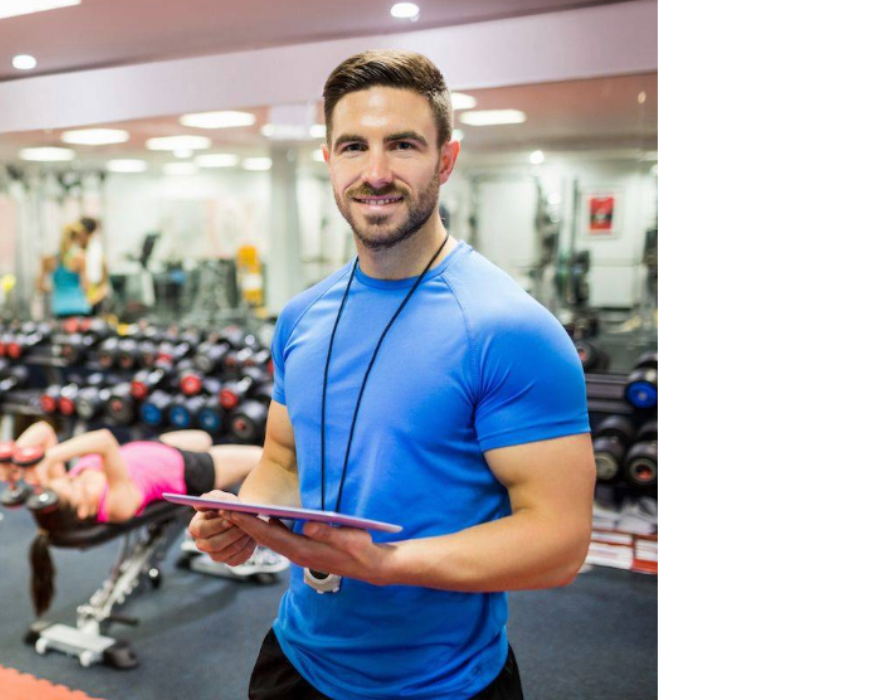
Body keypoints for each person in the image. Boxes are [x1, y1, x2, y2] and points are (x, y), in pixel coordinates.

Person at [185, 50, 595, 700]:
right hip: (297, 659)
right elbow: (284, 462)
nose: (375, 173)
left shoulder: (509, 328)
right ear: (329, 162)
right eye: (353, 147)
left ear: (446, 159)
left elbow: (559, 539)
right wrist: (242, 517)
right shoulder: (301, 318)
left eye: (402, 145)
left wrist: (387, 565)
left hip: (445, 683)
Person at [0, 422, 287, 616]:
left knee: (204, 436)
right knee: (265, 460)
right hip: (185, 469)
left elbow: (43, 430)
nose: (74, 478)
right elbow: (104, 441)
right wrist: (48, 459)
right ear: (83, 512)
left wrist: (17, 460)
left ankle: (200, 532)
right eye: (75, 486)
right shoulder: (116, 504)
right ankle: (252, 542)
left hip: (152, 448)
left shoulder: (72, 493)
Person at [39, 222, 93, 318]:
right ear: (76, 239)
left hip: (59, 308)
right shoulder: (80, 259)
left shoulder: (48, 260)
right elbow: (86, 287)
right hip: (79, 307)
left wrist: (57, 290)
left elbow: (40, 286)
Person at [77, 216, 111, 318]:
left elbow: (103, 283)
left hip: (93, 301)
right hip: (76, 303)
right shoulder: (74, 251)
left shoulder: (96, 252)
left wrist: (93, 299)